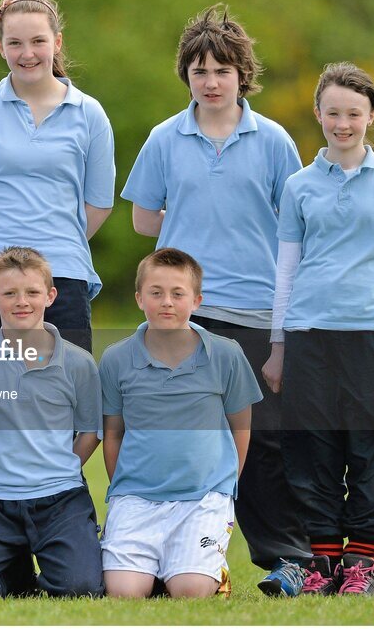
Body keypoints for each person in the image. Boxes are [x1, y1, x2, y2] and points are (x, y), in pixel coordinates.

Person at [121, 4, 309, 596]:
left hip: (256, 311)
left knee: (263, 442)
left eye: (222, 69)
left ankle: (288, 559)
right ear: (187, 76)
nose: (210, 81)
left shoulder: (274, 140)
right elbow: (144, 220)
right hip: (186, 314)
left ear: (241, 75)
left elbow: (298, 224)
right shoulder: (163, 138)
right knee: (186, 441)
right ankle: (185, 560)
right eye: (199, 70)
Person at [262, 63, 374, 597]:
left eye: (354, 114)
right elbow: (285, 270)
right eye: (332, 112)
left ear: (370, 116)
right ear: (318, 113)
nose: (342, 123)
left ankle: (362, 562)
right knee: (310, 448)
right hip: (308, 333)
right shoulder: (299, 186)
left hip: (369, 335)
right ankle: (323, 564)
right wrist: (278, 346)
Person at [0, 0, 115, 353]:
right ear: (0, 47)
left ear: (57, 42)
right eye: (15, 43)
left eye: (38, 41)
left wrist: (55, 239)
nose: (27, 54)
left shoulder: (89, 113)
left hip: (62, 276)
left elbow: (99, 204)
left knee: (62, 395)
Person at [0, 247, 103, 598]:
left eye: (31, 292)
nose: (21, 301)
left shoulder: (78, 362)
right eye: (9, 293)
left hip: (60, 496)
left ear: (50, 295)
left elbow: (91, 431)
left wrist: (61, 467)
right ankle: (16, 574)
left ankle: (51, 561)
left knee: (81, 588)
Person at [100, 248, 260, 599]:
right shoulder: (115, 358)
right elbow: (113, 434)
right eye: (156, 293)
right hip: (138, 496)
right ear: (140, 298)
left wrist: (225, 484)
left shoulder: (226, 353)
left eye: (178, 294)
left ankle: (203, 570)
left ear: (197, 300)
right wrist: (125, 489)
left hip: (203, 497)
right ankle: (154, 567)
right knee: (124, 593)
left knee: (191, 592)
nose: (166, 302)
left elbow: (241, 426)